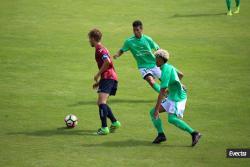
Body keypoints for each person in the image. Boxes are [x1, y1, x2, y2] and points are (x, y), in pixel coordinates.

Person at [149, 49, 201, 146]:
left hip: (178, 98)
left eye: (156, 58)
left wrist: (157, 109)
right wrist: (179, 84)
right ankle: (161, 135)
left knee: (171, 119)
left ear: (161, 59)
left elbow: (162, 92)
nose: (155, 60)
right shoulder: (169, 66)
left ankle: (194, 133)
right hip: (173, 95)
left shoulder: (165, 71)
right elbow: (181, 74)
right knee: (152, 113)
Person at [113, 20, 162, 93]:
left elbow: (158, 49)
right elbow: (122, 50)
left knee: (164, 80)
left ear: (141, 29)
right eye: (134, 30)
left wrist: (160, 57)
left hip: (154, 64)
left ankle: (174, 92)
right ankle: (164, 94)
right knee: (151, 81)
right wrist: (117, 55)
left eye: (137, 30)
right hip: (143, 66)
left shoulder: (147, 39)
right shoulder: (129, 41)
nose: (135, 32)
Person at [88, 28, 121, 135]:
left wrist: (98, 74)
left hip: (108, 77)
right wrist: (99, 82)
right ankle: (115, 122)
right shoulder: (102, 48)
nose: (89, 41)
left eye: (89, 39)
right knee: (101, 102)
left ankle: (104, 128)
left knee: (101, 102)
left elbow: (107, 62)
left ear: (93, 38)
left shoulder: (100, 49)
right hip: (109, 77)